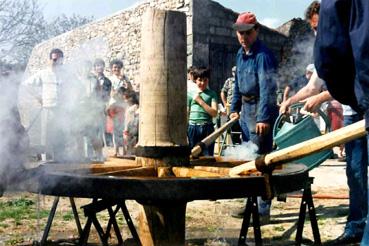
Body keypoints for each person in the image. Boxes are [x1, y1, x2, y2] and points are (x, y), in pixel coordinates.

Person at [281, 1, 368, 244]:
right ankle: (356, 225)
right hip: (352, 114)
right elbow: (313, 86)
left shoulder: (356, 37)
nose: (319, 33)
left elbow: (347, 81)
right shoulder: (329, 47)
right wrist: (290, 101)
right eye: (316, 29)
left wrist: (321, 96)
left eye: (321, 26)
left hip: (364, 108)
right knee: (355, 173)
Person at [314, 1, 369, 245]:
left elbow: (328, 54)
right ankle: (357, 225)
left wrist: (355, 96)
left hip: (361, 101)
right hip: (357, 106)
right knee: (355, 171)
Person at [229, 12, 278, 220]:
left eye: (247, 33)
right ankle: (250, 204)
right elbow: (237, 85)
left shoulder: (263, 56)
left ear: (256, 31)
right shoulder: (240, 54)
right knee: (248, 159)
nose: (243, 37)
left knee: (261, 161)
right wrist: (234, 107)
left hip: (260, 107)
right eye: (240, 33)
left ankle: (263, 208)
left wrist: (263, 118)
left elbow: (268, 89)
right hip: (246, 110)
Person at [187, 67, 218, 156]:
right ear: (195, 80)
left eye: (205, 80)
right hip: (193, 128)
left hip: (207, 127)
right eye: (200, 80)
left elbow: (214, 113)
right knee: (193, 155)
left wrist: (200, 101)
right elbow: (187, 113)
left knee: (207, 156)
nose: (202, 83)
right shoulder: (190, 94)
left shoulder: (212, 94)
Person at [91, 58, 112, 161]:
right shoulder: (90, 79)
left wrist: (105, 106)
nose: (99, 67)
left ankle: (100, 153)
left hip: (101, 108)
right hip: (91, 108)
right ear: (94, 68)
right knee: (91, 131)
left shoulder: (108, 81)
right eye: (97, 65)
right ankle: (91, 154)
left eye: (101, 65)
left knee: (101, 131)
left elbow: (107, 96)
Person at [123, 91, 139, 155]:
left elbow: (131, 120)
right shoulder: (130, 108)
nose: (125, 100)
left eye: (126, 98)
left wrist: (126, 129)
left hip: (131, 128)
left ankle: (130, 155)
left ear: (131, 99)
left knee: (130, 143)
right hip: (130, 128)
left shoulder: (133, 108)